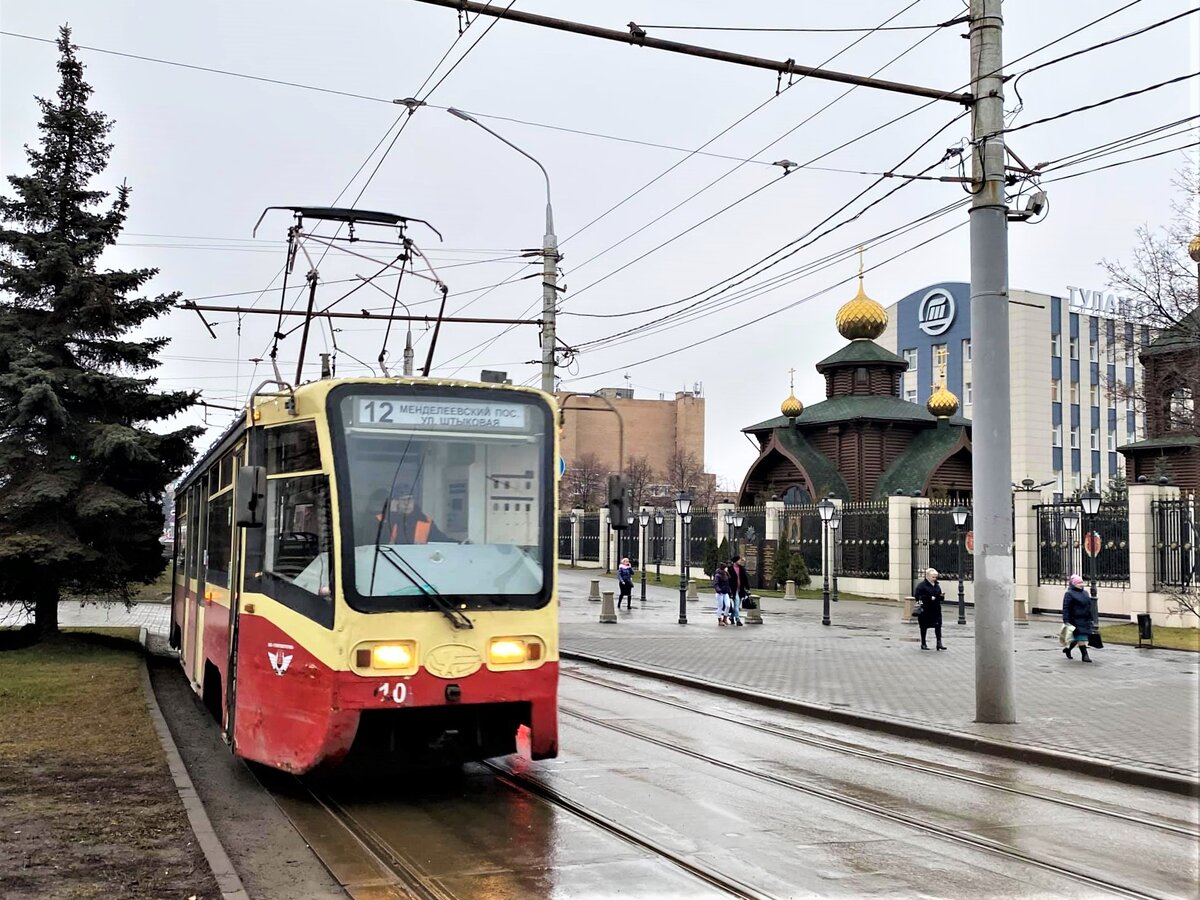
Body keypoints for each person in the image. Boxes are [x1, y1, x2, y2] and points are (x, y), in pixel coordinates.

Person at [366, 487, 452, 545]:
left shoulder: (425, 522)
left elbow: (442, 541)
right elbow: (374, 545)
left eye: (410, 499)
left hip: (415, 567)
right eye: (403, 500)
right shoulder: (380, 521)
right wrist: (392, 514)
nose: (407, 504)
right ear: (395, 502)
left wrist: (461, 544)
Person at [1062, 574, 1093, 662]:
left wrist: (1091, 618)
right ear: (1074, 584)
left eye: (1082, 582)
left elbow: (1089, 606)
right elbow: (1066, 608)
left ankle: (1068, 650)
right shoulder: (1069, 594)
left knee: (1076, 639)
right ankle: (1085, 655)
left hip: (1085, 619)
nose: (1081, 584)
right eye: (1079, 583)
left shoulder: (1085, 593)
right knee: (1081, 637)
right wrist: (1066, 620)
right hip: (1075, 620)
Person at [915, 567, 946, 650]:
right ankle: (923, 643)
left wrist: (941, 596)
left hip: (936, 609)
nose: (935, 579)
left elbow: (939, 596)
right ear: (928, 576)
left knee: (938, 626)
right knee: (924, 627)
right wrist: (929, 598)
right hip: (926, 610)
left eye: (936, 577)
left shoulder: (937, 585)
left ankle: (939, 643)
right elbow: (918, 597)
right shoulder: (921, 586)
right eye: (933, 577)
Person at [728, 555, 748, 627]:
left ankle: (731, 617)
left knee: (737, 605)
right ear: (735, 561)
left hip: (740, 589)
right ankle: (738, 620)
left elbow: (745, 578)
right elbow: (728, 580)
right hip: (733, 590)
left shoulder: (742, 569)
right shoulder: (730, 569)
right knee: (736, 604)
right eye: (739, 560)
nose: (740, 561)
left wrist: (747, 587)